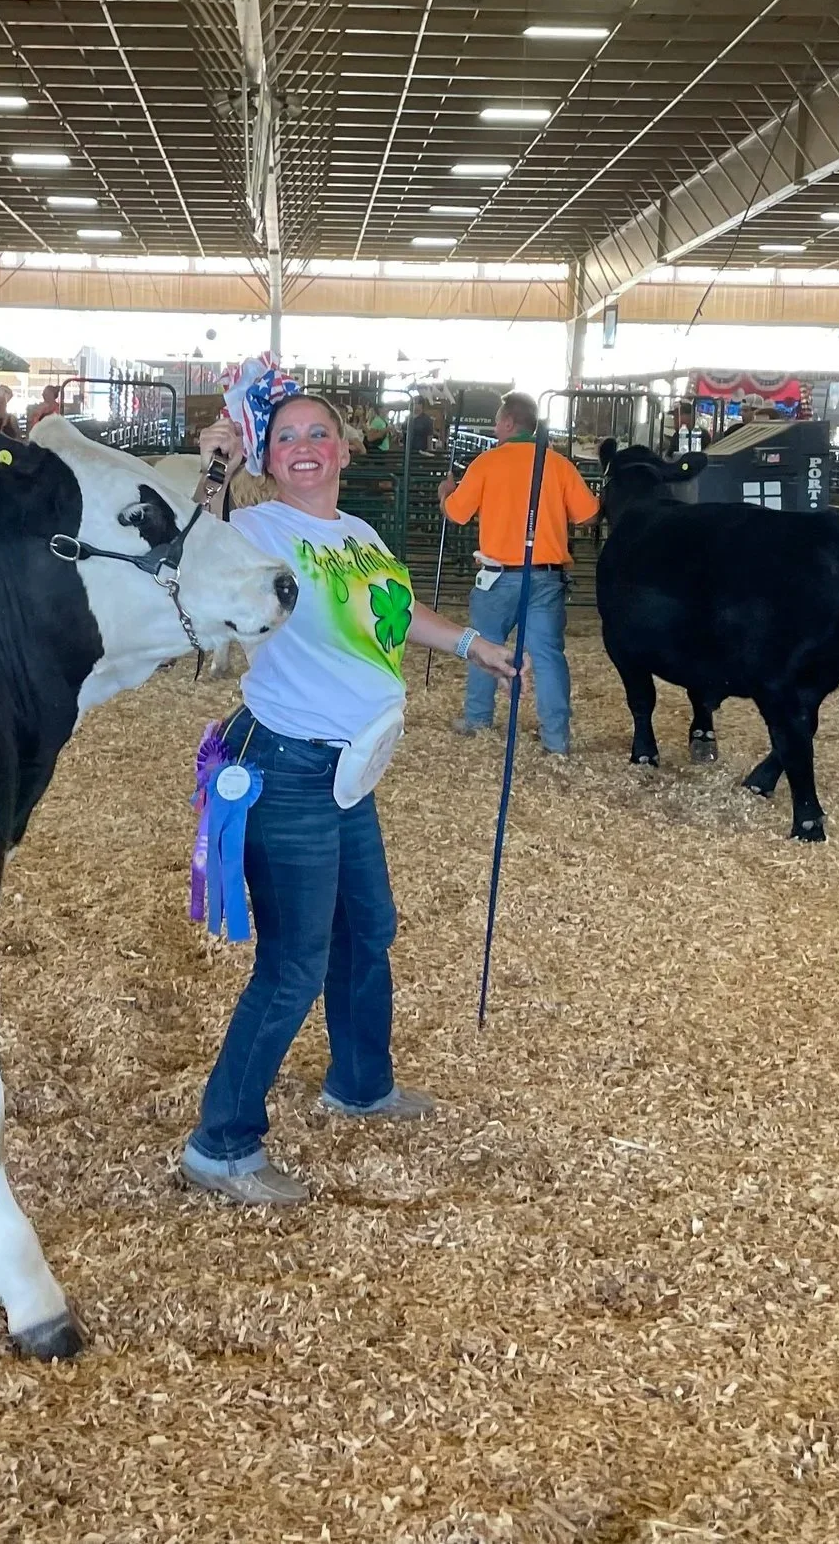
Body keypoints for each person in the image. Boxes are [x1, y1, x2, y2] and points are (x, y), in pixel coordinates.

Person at [180, 365, 524, 1206]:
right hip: (285, 764)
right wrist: (214, 466)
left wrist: (471, 643)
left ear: (343, 446)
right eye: (287, 436)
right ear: (269, 454)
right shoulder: (254, 527)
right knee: (293, 961)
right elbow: (197, 552)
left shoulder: (360, 533)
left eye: (317, 433)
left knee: (366, 927)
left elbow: (396, 619)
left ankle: (360, 1081)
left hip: (348, 770)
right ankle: (218, 1144)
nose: (305, 447)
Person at [439, 391, 599, 756]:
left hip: (496, 574)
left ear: (510, 423)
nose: (496, 428)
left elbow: (457, 514)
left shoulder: (486, 463)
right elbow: (589, 515)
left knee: (485, 645)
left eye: (497, 422)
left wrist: (444, 493)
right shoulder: (556, 464)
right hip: (545, 575)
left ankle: (478, 720)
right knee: (547, 653)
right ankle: (556, 738)